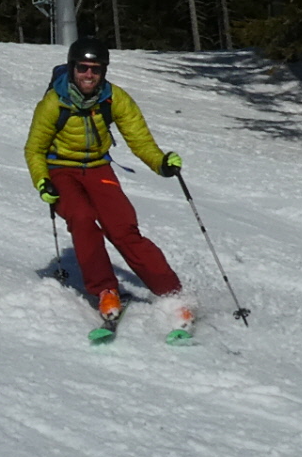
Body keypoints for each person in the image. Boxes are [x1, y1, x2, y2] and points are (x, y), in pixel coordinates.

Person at [23, 37, 191, 328]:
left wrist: (161, 163)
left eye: (96, 69)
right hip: (61, 169)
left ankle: (172, 293)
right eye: (83, 68)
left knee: (122, 227)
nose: (89, 74)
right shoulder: (53, 102)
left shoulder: (114, 98)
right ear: (73, 68)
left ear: (104, 71)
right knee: (82, 217)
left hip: (98, 166)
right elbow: (34, 149)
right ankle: (105, 290)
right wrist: (42, 182)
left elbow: (139, 140)